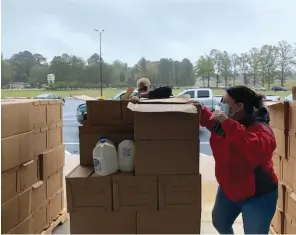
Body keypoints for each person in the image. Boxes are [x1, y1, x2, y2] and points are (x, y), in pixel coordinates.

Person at [188, 86, 277, 234]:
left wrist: (228, 123)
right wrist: (200, 109)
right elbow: (210, 121)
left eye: (225, 101)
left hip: (257, 194)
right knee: (220, 223)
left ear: (239, 106)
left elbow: (253, 149)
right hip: (230, 187)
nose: (221, 103)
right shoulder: (226, 123)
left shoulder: (260, 129)